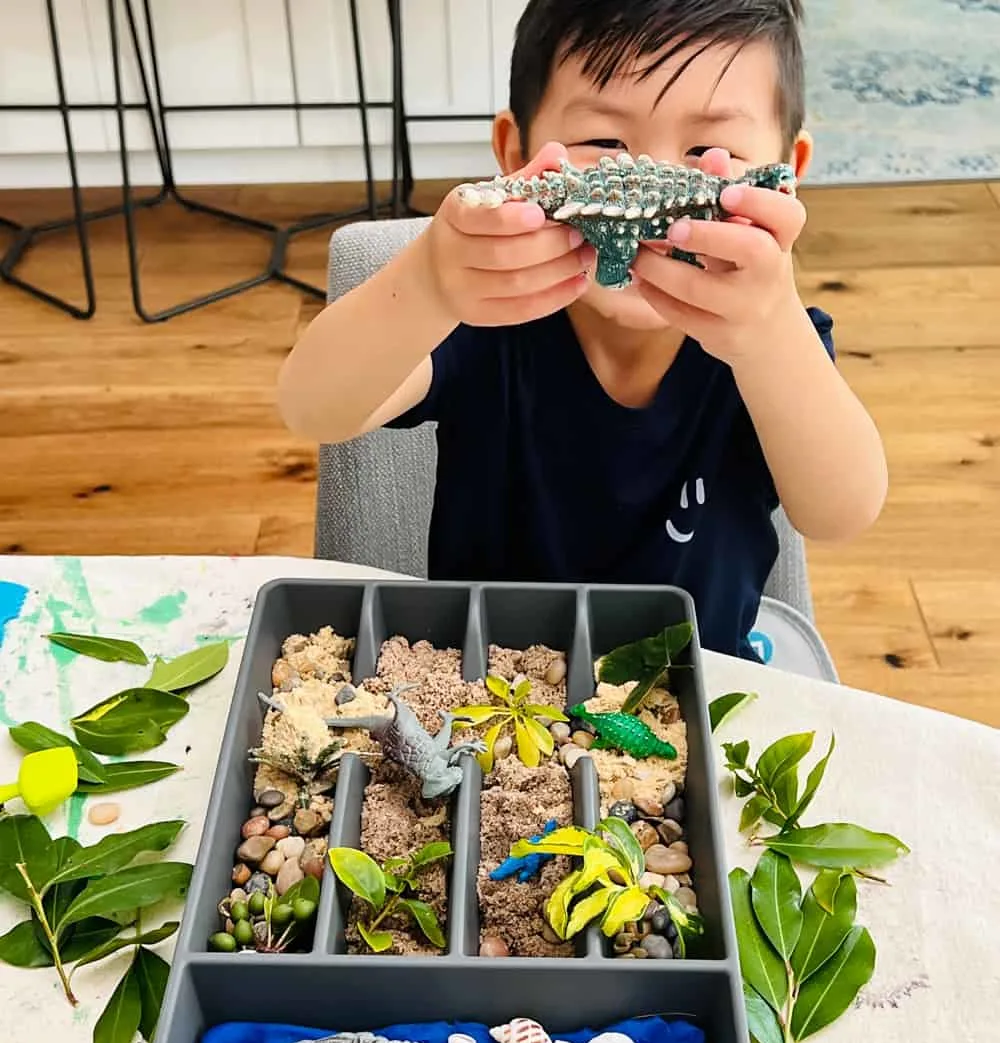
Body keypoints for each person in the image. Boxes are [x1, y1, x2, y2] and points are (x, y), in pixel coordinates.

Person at [277, 0, 888, 661]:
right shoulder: (485, 318)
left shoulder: (768, 343)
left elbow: (841, 512)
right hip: (491, 686)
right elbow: (315, 406)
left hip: (694, 686)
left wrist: (774, 338)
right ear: (515, 154)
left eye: (711, 152)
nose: (653, 196)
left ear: (785, 178)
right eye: (605, 144)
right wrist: (426, 287)